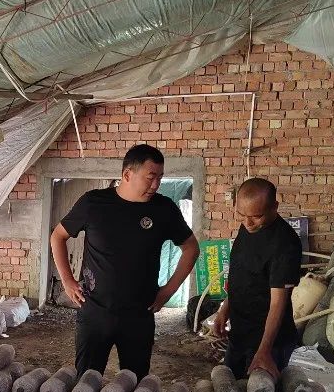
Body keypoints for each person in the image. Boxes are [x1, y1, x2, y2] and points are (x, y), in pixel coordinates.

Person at [51, 144, 199, 378]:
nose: (156, 185)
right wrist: (67, 281)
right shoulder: (93, 203)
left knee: (135, 384)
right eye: (150, 177)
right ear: (127, 175)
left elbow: (191, 248)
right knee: (86, 382)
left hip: (139, 315)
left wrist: (168, 292)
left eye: (160, 178)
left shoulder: (164, 209)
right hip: (95, 312)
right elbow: (58, 236)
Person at [212, 178, 303, 378]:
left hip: (269, 341)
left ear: (275, 207)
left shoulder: (285, 244)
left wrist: (264, 352)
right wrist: (224, 310)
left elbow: (279, 302)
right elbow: (242, 276)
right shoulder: (248, 228)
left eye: (256, 216)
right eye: (242, 215)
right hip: (240, 334)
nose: (248, 223)